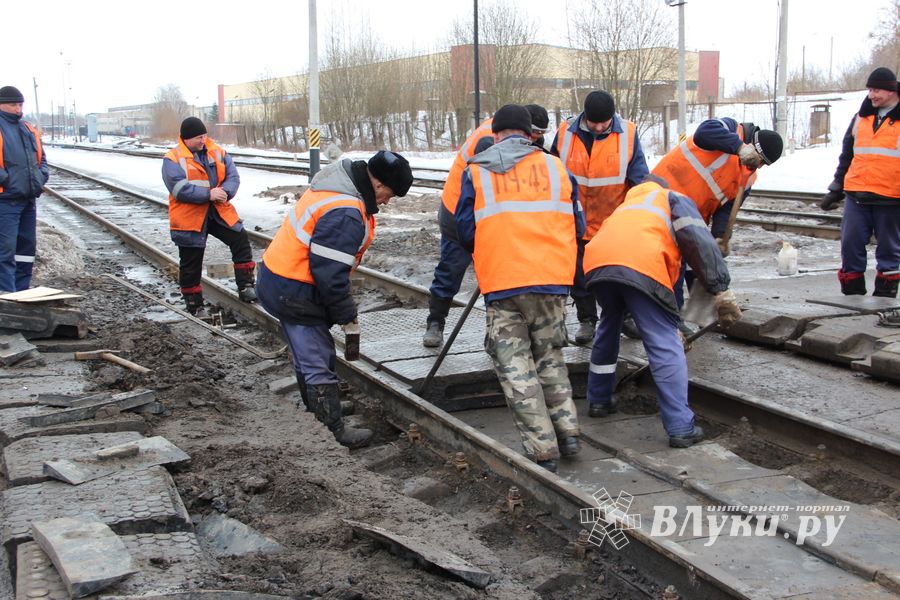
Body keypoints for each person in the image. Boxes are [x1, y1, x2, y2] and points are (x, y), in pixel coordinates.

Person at [456, 104, 585, 473]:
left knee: (515, 365)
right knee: (550, 355)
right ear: (530, 134)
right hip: (553, 279)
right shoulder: (557, 167)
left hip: (505, 281)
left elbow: (464, 229)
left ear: (495, 133)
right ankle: (569, 433)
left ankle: (543, 449)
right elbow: (579, 225)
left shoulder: (476, 171)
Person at [257, 150, 413, 449]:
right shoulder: (345, 211)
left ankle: (317, 412)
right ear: (378, 184)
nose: (387, 202)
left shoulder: (337, 186)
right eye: (390, 194)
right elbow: (329, 273)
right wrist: (345, 313)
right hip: (294, 289)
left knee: (308, 353)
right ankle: (331, 432)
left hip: (281, 277)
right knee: (317, 359)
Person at [581, 174, 742, 447]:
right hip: (640, 265)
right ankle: (680, 426)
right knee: (663, 340)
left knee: (608, 326)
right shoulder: (671, 198)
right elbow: (699, 242)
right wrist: (720, 289)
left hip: (598, 266)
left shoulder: (627, 205)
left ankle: (598, 399)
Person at [422, 104, 552, 347]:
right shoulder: (489, 140)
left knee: (499, 275)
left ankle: (497, 334)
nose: (537, 139)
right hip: (460, 210)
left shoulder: (526, 139)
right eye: (535, 133)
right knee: (452, 269)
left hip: (495, 214)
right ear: (522, 128)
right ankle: (435, 322)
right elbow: (489, 185)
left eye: (540, 134)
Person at [551, 90, 649, 345]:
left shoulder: (627, 134)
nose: (598, 127)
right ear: (584, 116)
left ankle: (624, 317)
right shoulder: (565, 133)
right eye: (593, 122)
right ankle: (587, 320)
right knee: (579, 275)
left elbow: (639, 178)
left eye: (603, 123)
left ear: (612, 117)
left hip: (612, 222)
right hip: (574, 221)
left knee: (617, 274)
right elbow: (551, 171)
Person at [162, 117, 257, 315]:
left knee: (239, 238)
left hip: (218, 210)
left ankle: (246, 286)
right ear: (186, 139)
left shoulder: (218, 152)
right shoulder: (172, 158)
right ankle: (194, 304)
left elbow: (233, 177)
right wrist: (208, 194)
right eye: (199, 137)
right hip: (190, 216)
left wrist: (225, 192)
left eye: (204, 136)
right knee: (191, 260)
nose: (203, 140)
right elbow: (178, 188)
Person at [819, 67, 900, 298]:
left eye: (876, 90)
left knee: (889, 252)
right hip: (857, 194)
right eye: (870, 90)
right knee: (850, 245)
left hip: (891, 197)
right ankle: (853, 300)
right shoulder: (860, 118)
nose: (872, 95)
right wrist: (836, 187)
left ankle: (884, 302)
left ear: (891, 90)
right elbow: (847, 155)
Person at [0, 85, 47, 293]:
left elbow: (42, 159)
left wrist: (40, 177)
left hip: (28, 199)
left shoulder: (27, 129)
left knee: (26, 251)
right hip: (5, 201)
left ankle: (22, 293)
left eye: (20, 105)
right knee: (5, 251)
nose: (18, 109)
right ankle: (6, 297)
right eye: (13, 105)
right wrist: (7, 181)